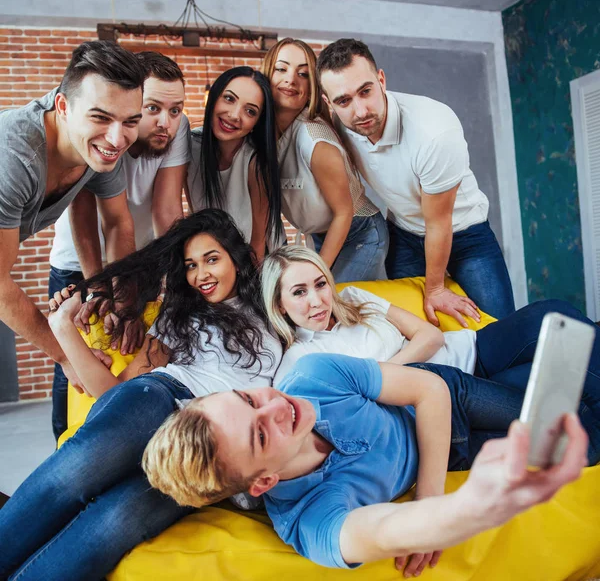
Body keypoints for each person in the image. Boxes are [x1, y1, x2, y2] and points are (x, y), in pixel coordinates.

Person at [0, 209, 282, 581]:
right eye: (191, 265)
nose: (201, 275)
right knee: (71, 478)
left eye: (212, 259)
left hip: (203, 449)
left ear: (239, 258)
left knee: (116, 524)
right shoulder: (180, 315)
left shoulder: (273, 304)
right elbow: (116, 396)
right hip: (160, 398)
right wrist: (64, 330)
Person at [142, 353, 595, 576]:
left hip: (447, 400)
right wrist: (468, 509)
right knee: (584, 445)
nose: (275, 405)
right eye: (261, 434)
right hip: (454, 449)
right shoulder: (308, 519)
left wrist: (430, 494)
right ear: (263, 481)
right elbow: (377, 533)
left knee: (572, 417)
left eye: (248, 397)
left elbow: (429, 391)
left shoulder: (312, 374)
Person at [261, 245, 600, 421]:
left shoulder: (352, 298)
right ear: (279, 304)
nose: (318, 300)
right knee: (574, 378)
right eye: (299, 292)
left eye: (320, 284)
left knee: (557, 314)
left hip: (474, 349)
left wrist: (383, 373)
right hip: (458, 390)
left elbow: (431, 336)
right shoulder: (300, 360)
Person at [316, 38, 515, 324]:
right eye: (344, 100)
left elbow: (438, 222)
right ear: (329, 103)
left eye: (366, 91)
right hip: (405, 234)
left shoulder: (434, 131)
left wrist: (435, 288)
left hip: (465, 233)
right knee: (421, 328)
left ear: (381, 79)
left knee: (500, 329)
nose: (360, 111)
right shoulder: (338, 126)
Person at [46, 51, 191, 441]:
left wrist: (176, 277)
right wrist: (98, 290)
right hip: (79, 260)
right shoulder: (103, 134)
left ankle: (117, 441)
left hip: (137, 259)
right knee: (73, 363)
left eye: (176, 109)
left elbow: (165, 212)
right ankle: (67, 441)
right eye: (153, 108)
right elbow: (87, 221)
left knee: (129, 349)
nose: (166, 121)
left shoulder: (174, 131)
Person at [0, 40, 144, 394]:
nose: (117, 137)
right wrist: (66, 355)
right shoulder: (14, 155)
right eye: (101, 117)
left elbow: (116, 222)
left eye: (130, 121)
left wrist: (121, 304)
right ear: (63, 106)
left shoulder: (102, 148)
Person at [261, 38, 388, 282]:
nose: (291, 79)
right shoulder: (267, 138)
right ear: (267, 74)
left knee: (332, 305)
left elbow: (344, 213)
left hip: (359, 233)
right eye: (281, 69)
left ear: (313, 87)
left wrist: (314, 275)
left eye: (303, 73)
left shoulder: (314, 139)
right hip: (320, 236)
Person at [186, 67, 283, 261]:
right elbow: (194, 213)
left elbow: (258, 241)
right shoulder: (189, 146)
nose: (234, 115)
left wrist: (253, 285)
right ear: (213, 98)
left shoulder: (255, 161)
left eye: (250, 111)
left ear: (256, 122)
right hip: (214, 259)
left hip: (260, 258)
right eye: (229, 99)